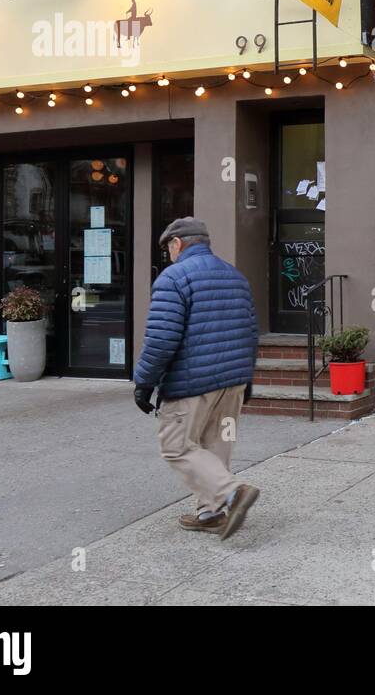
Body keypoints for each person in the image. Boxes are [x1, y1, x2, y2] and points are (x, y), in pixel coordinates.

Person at [133, 217, 261, 540]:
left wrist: (144, 382)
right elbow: (250, 332)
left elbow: (161, 338)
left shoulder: (173, 278)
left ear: (177, 244)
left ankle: (232, 493)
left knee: (176, 445)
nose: (169, 255)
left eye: (169, 249)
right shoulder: (236, 277)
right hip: (232, 380)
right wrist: (247, 377)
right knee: (215, 444)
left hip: (192, 382)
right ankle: (210, 513)